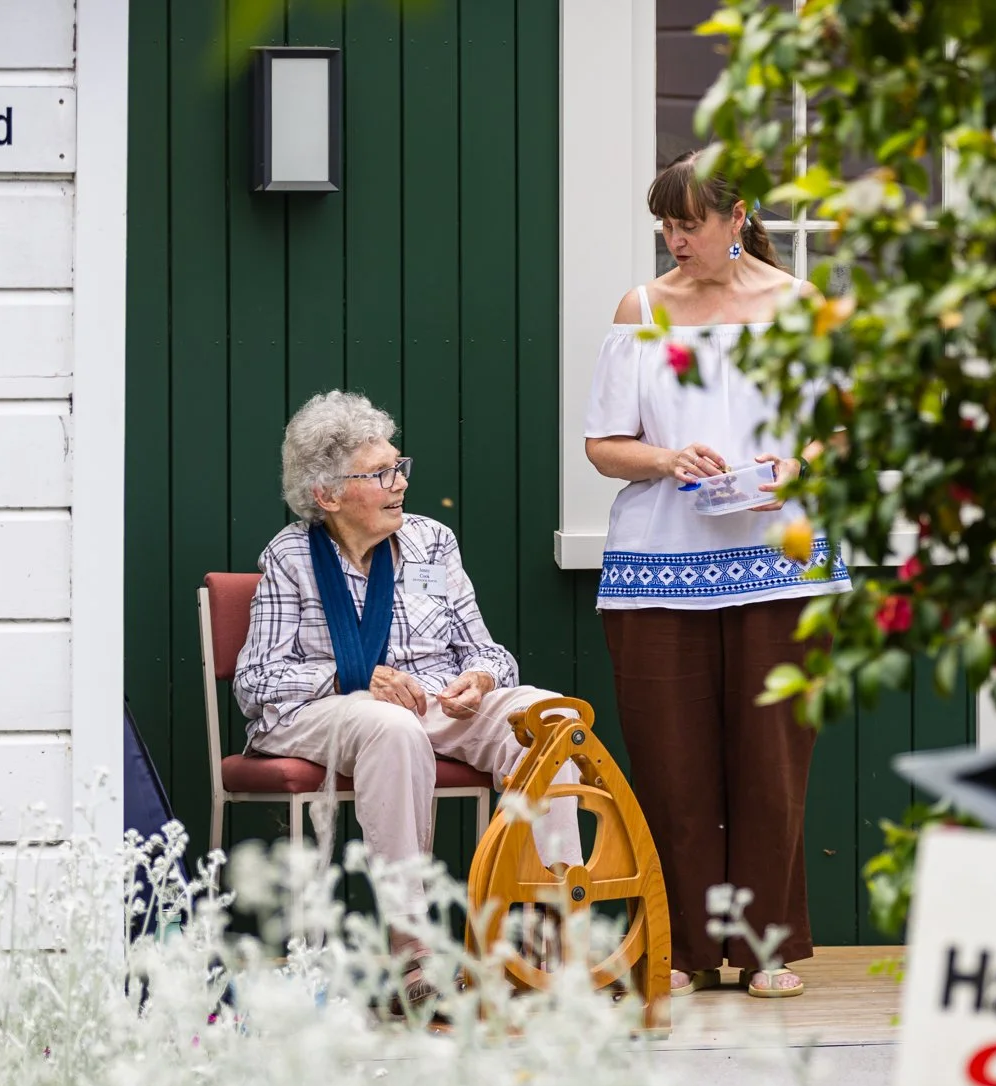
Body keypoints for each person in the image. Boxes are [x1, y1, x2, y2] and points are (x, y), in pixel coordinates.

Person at [582, 152, 850, 1000]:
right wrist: (666, 458)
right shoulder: (642, 310)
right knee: (673, 765)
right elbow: (602, 444)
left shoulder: (801, 309)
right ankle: (689, 950)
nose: (673, 239)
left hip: (783, 564)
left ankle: (766, 949)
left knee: (771, 767)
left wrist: (796, 468)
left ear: (739, 219)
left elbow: (839, 432)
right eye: (665, 224)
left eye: (687, 223)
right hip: (658, 571)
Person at [234, 390, 583, 1002]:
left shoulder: (431, 543)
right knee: (388, 727)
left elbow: (488, 650)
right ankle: (413, 959)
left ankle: (543, 946)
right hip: (324, 712)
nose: (400, 483)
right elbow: (255, 682)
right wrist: (351, 676)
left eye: (400, 467)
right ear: (328, 494)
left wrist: (479, 678)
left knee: (547, 718)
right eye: (380, 473)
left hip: (432, 705)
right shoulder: (291, 558)